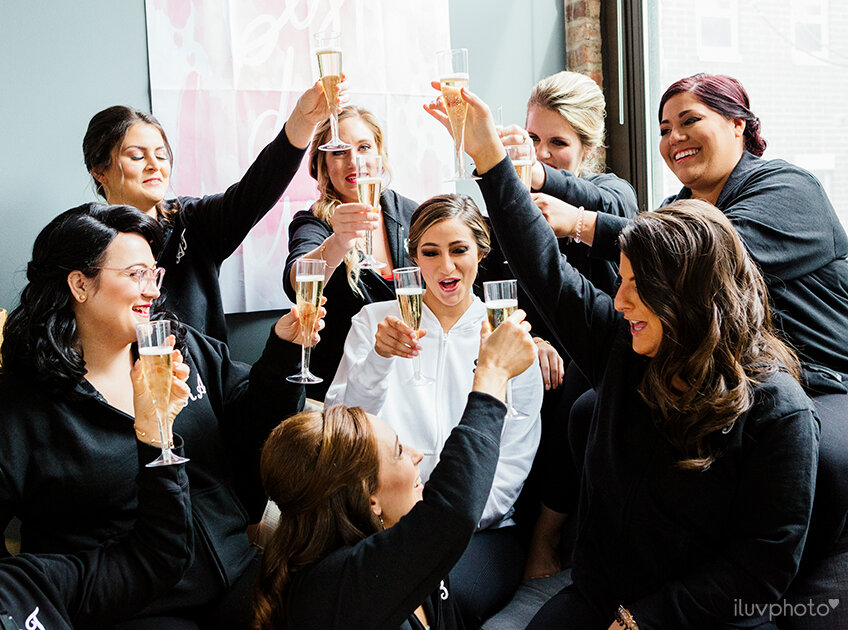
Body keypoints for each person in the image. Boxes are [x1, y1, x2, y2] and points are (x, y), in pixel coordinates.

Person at [429, 87, 819, 628]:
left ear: (690, 295)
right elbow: (543, 265)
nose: (620, 299)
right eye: (624, 280)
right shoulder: (625, 347)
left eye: (638, 285)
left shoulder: (780, 412)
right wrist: (488, 157)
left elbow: (762, 571)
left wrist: (645, 618)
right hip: (599, 599)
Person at [534, 73, 848, 618]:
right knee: (592, 406)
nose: (674, 136)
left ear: (738, 124)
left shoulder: (789, 189)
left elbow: (705, 263)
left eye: (689, 120)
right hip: (729, 366)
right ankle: (584, 554)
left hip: (821, 380)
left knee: (819, 452)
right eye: (663, 127)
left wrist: (582, 224)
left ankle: (781, 594)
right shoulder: (679, 203)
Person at [0, 203, 323, 629]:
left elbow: (256, 430)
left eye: (155, 274)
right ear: (79, 284)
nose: (152, 290)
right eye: (136, 275)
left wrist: (284, 348)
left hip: (239, 572)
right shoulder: (25, 405)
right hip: (138, 608)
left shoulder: (180, 349)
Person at [324, 193, 543, 625]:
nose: (446, 267)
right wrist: (379, 360)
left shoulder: (509, 338)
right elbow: (343, 431)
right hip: (381, 522)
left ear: (481, 252)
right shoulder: (373, 322)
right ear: (414, 258)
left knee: (432, 595)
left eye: (459, 250)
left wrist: (437, 523)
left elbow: (513, 462)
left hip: (480, 531)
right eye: (431, 252)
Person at [252, 310, 537, 630]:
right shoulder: (335, 587)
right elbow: (452, 513)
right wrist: (492, 373)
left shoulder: (392, 551)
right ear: (368, 496)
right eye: (399, 450)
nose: (416, 456)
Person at [488, 70, 638, 580]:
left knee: (573, 381)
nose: (542, 152)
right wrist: (526, 337)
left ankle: (544, 538)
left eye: (558, 143)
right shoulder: (507, 206)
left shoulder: (609, 190)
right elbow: (491, 287)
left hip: (601, 349)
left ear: (587, 147)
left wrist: (538, 179)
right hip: (530, 344)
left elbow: (620, 212)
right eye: (532, 139)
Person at [83, 80, 345, 342]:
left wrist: (304, 119)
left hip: (205, 380)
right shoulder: (86, 240)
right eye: (137, 157)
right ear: (99, 171)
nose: (154, 166)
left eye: (161, 155)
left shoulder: (192, 220)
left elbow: (257, 189)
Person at [0, 340, 192, 630]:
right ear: (79, 290)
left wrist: (156, 435)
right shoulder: (21, 404)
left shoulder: (28, 585)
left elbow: (157, 559)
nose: (153, 291)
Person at [284, 106, 418, 398]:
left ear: (379, 154)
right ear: (323, 165)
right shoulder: (314, 222)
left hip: (408, 383)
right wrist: (338, 241)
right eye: (339, 152)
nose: (354, 161)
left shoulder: (413, 215)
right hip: (342, 389)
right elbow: (297, 281)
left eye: (364, 147)